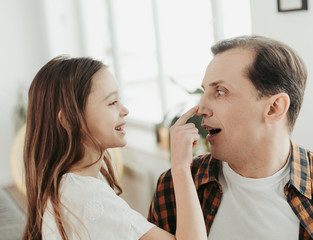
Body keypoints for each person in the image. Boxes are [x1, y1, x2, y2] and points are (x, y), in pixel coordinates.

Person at [148, 35, 313, 239]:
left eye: (220, 92)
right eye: (205, 91)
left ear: (274, 108)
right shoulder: (175, 184)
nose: (201, 108)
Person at [22, 56, 207, 240]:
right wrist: (181, 166)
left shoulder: (69, 184)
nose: (125, 110)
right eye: (112, 102)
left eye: (120, 99)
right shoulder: (87, 195)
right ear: (70, 120)